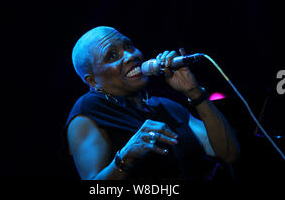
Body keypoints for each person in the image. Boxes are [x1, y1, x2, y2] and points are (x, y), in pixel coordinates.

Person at [65, 26, 240, 180]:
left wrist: (194, 92)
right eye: (112, 56)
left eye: (129, 46)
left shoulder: (165, 106)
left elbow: (229, 153)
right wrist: (126, 156)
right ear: (93, 81)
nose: (131, 56)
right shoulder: (89, 109)